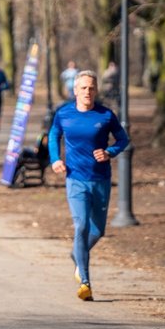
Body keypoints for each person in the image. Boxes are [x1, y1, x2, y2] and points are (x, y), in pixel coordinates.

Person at [49, 70, 129, 301]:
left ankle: (77, 254)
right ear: (75, 90)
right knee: (81, 225)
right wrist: (55, 159)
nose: (87, 92)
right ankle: (85, 282)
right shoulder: (64, 114)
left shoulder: (105, 115)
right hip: (75, 179)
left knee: (97, 231)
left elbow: (123, 139)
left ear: (96, 90)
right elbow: (54, 135)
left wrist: (109, 152)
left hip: (101, 179)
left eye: (91, 88)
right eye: (83, 88)